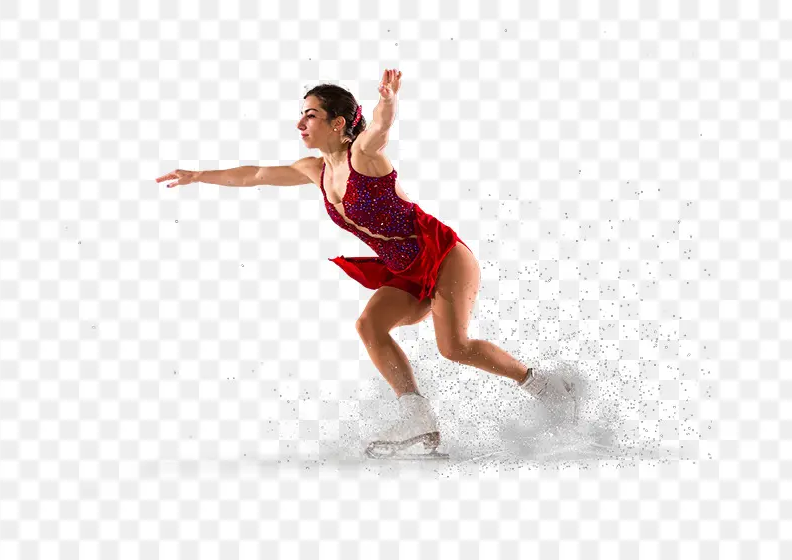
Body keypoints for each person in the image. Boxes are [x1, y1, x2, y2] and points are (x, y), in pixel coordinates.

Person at [156, 69, 578, 459]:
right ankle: (418, 416)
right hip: (404, 268)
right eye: (300, 115)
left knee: (454, 347)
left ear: (338, 123)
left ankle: (545, 386)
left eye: (311, 115)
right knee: (369, 326)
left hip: (443, 254)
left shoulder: (364, 156)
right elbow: (254, 175)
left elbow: (379, 129)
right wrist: (198, 175)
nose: (300, 124)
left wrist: (388, 102)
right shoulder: (314, 170)